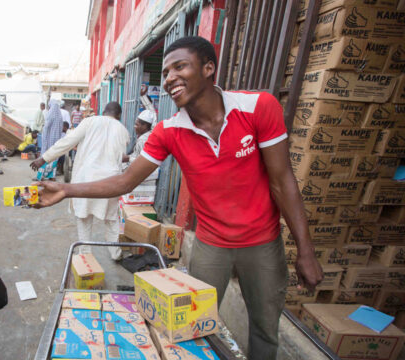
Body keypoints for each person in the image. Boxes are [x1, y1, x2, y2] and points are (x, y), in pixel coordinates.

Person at [34, 36, 323, 359]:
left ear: (209, 68)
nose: (170, 77)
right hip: (210, 244)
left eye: (180, 66)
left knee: (265, 331)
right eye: (166, 71)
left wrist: (306, 252)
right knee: (191, 328)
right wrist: (67, 188)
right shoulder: (168, 131)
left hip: (263, 242)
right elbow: (125, 181)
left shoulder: (258, 107)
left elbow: (283, 182)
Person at [31, 102, 129, 260]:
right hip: (111, 181)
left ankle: (85, 255)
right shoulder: (122, 130)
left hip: (86, 178)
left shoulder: (90, 121)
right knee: (111, 218)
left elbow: (67, 142)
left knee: (83, 217)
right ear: (119, 116)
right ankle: (116, 253)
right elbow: (121, 156)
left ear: (102, 112)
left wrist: (44, 158)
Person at [38, 100, 64, 181]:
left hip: (48, 140)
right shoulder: (60, 116)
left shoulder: (50, 115)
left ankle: (41, 176)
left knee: (45, 156)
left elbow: (46, 127)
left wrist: (44, 136)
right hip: (56, 141)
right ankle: (52, 176)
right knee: (54, 157)